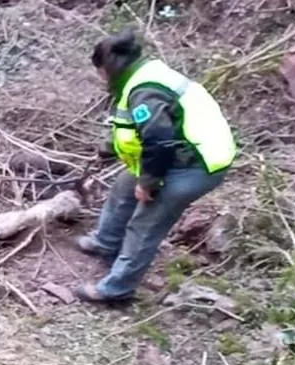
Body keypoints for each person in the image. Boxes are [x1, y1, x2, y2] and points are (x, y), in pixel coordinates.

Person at [74, 30, 237, 304]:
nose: (99, 77)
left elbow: (159, 139)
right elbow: (137, 125)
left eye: (99, 71)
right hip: (177, 153)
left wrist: (149, 183)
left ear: (108, 67)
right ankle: (106, 241)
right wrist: (109, 148)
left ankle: (116, 290)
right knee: (123, 188)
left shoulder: (145, 89)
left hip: (194, 163)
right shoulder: (140, 76)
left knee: (145, 223)